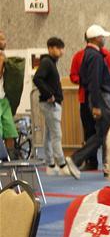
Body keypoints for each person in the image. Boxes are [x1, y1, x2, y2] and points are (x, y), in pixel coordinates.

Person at [67, 24, 110, 179]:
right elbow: (94, 82)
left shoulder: (87, 55)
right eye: (103, 37)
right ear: (97, 38)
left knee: (103, 133)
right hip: (101, 98)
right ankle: (77, 159)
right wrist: (96, 105)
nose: (104, 39)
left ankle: (105, 166)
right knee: (109, 132)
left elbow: (84, 79)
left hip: (97, 98)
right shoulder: (96, 56)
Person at [32, 37, 72, 176]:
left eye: (62, 48)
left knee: (49, 135)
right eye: (58, 48)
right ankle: (61, 164)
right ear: (50, 48)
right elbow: (37, 78)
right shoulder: (47, 62)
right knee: (56, 135)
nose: (61, 51)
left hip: (51, 103)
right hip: (50, 104)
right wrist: (49, 94)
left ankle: (50, 164)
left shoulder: (51, 63)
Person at [0, 30, 25, 156]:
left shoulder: (3, 55)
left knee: (9, 130)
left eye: (4, 39)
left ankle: (10, 156)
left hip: (3, 99)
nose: (4, 42)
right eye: (1, 39)